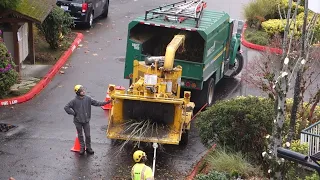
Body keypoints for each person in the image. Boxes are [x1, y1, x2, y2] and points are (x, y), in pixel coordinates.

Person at [64, 85, 111, 155]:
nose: (83, 91)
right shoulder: (74, 101)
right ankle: (82, 148)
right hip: (78, 121)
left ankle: (88, 148)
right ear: (78, 92)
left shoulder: (88, 98)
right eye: (81, 90)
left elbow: (97, 103)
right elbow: (66, 107)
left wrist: (106, 102)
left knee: (88, 135)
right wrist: (73, 113)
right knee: (80, 135)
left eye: (83, 90)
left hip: (86, 121)